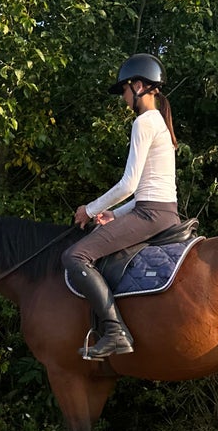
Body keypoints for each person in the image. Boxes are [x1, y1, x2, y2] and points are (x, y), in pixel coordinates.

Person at [62, 53, 180, 358]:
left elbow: (129, 184)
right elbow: (149, 190)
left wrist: (88, 210)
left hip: (150, 214)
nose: (124, 98)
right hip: (163, 211)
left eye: (124, 91)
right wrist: (115, 214)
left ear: (138, 86)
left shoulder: (143, 123)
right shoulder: (162, 125)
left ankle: (115, 331)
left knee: (75, 255)